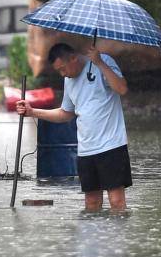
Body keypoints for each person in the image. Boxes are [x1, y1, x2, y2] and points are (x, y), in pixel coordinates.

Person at [16, 42, 132, 210]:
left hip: (111, 145)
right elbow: (66, 113)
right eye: (59, 71)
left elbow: (122, 88)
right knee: (91, 203)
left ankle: (117, 236)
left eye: (63, 68)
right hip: (86, 149)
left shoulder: (103, 62)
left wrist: (99, 62)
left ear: (73, 58)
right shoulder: (68, 80)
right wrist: (32, 112)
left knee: (117, 202)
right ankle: (93, 236)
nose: (63, 74)